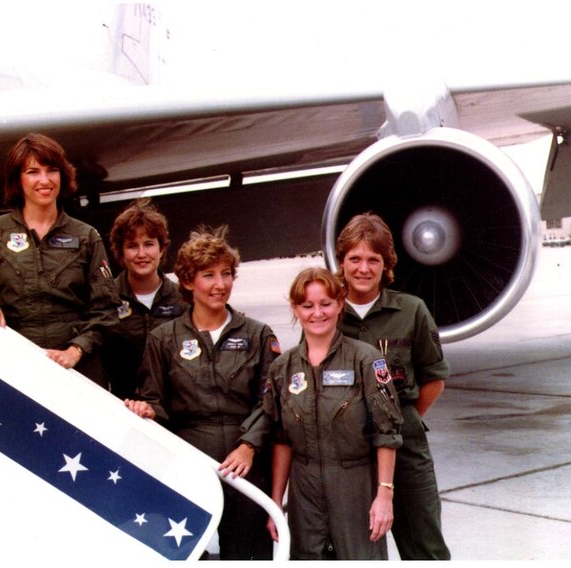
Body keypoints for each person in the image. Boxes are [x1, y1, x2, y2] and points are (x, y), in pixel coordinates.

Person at [125, 226, 280, 560]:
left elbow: (270, 401)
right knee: (184, 554)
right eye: (208, 275)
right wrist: (147, 410)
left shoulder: (257, 334)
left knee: (246, 554)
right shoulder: (164, 338)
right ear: (187, 281)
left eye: (226, 274)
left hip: (244, 466)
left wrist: (248, 447)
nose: (220, 284)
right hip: (190, 464)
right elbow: (154, 398)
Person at [255, 267, 402, 560]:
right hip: (304, 492)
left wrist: (384, 494)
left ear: (339, 304)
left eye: (325, 304)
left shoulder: (366, 359)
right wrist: (275, 504)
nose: (317, 313)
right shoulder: (283, 368)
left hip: (354, 487)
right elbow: (281, 439)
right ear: (296, 309)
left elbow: (387, 432)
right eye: (307, 305)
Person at [334, 212, 451, 560]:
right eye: (354, 258)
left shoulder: (411, 311)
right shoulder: (328, 314)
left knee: (424, 546)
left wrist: (402, 421)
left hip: (405, 449)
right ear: (341, 262)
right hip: (349, 451)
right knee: (354, 549)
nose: (363, 268)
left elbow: (434, 379)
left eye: (374, 259)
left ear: (387, 265)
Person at [0, 133, 118, 387]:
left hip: (77, 372)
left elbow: (107, 310)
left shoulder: (86, 237)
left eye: (52, 170)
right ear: (18, 180)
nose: (44, 180)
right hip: (15, 366)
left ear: (62, 175)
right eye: (33, 172)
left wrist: (75, 351)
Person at [103, 199, 186, 399]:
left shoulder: (184, 300)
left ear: (162, 249)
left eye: (149, 244)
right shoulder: (105, 298)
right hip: (122, 407)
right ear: (121, 253)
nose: (141, 254)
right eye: (132, 246)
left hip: (174, 410)